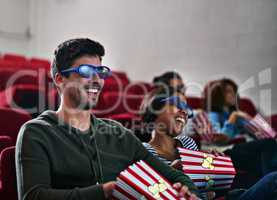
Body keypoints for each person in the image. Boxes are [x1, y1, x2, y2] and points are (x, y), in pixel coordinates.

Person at [15, 38, 199, 200]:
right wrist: (103, 192)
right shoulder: (36, 132)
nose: (97, 79)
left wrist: (186, 191)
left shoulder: (117, 133)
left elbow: (175, 176)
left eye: (100, 71)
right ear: (60, 78)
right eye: (86, 71)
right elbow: (34, 196)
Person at [141, 89, 277, 200]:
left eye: (186, 108)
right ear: (154, 111)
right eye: (178, 104)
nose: (185, 111)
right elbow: (147, 191)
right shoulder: (143, 151)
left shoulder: (187, 142)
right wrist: (171, 173)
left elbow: (208, 191)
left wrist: (214, 170)